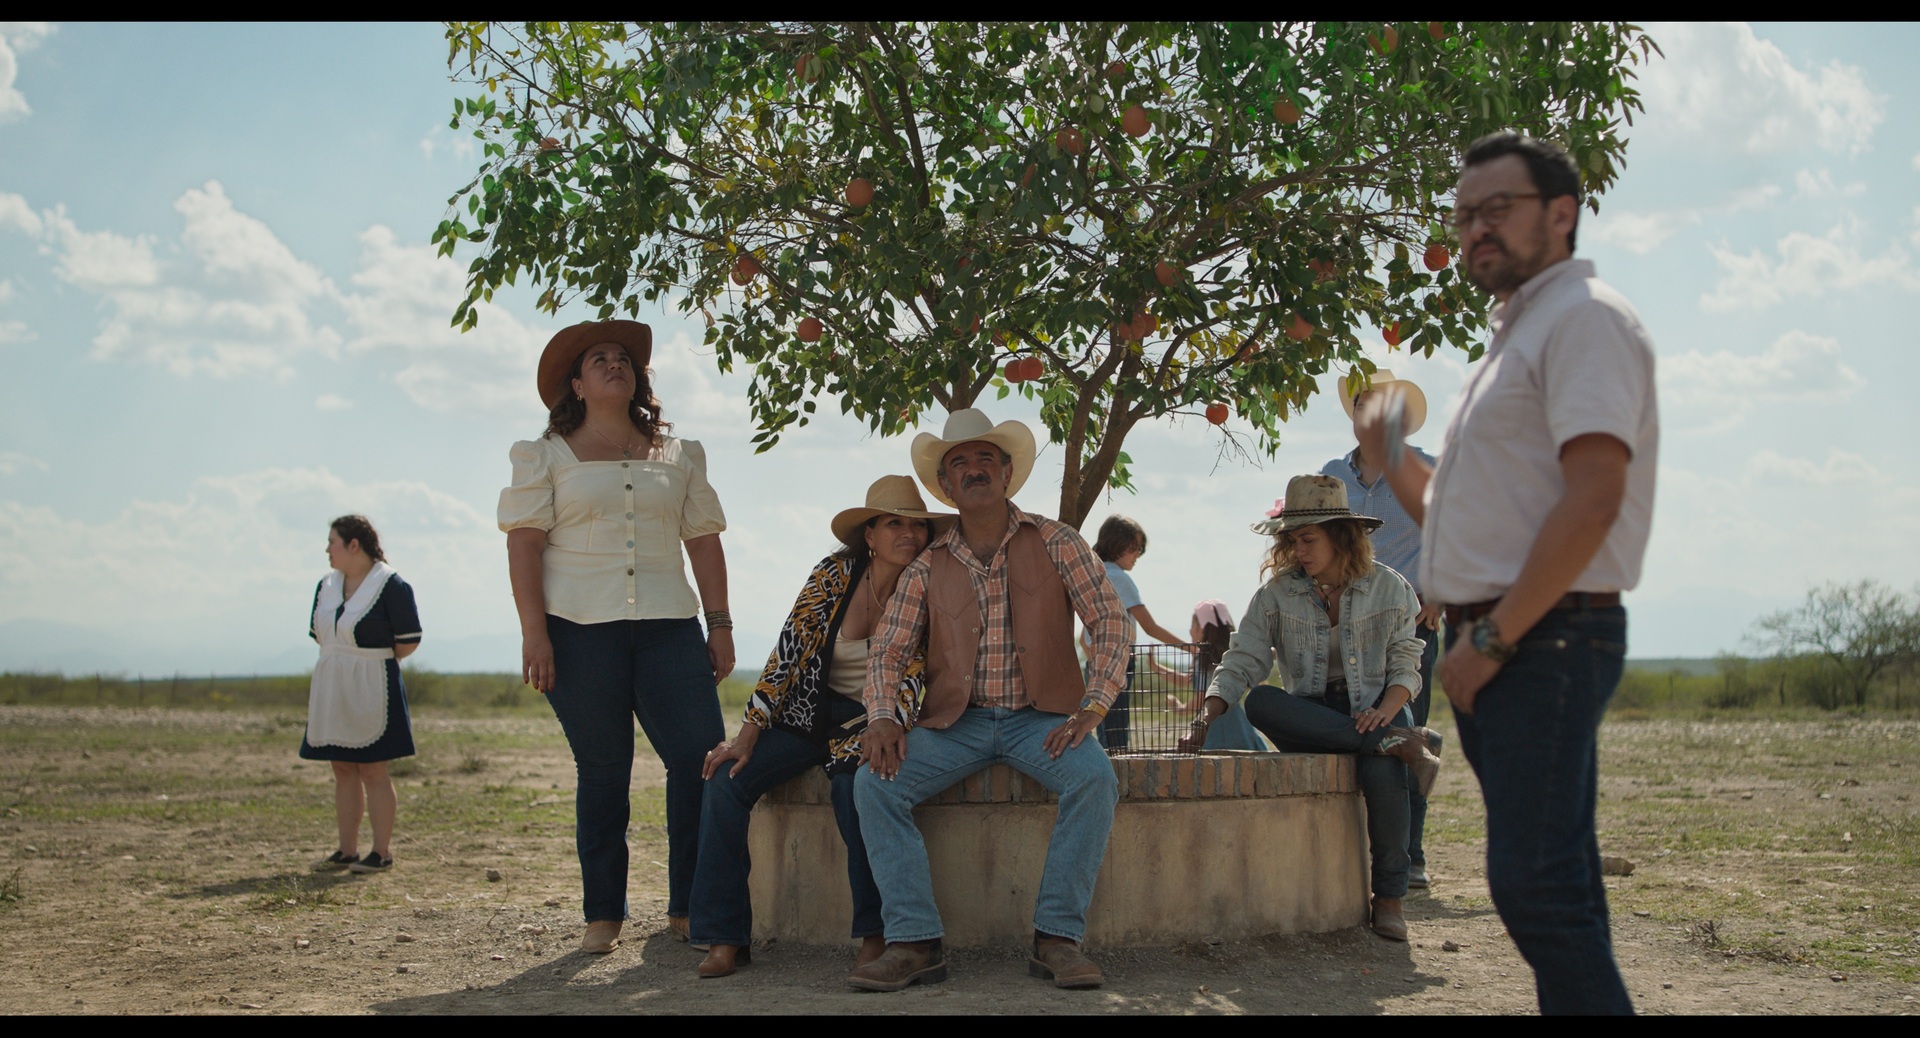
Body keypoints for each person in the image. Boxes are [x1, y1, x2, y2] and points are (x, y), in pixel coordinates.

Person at [1362, 132, 1659, 1015]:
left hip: (1543, 635)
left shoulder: (1586, 320)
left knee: (1537, 887)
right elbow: (1458, 522)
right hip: (1516, 633)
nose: (1476, 230)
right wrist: (1391, 452)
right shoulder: (1516, 339)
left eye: (1498, 209)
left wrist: (1491, 640)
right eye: (1465, 217)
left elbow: (1595, 497)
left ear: (1562, 213)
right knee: (1554, 886)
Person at [851, 408, 1130, 992]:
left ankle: (1056, 938)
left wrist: (1094, 704)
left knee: (1094, 778)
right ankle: (914, 942)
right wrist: (881, 717)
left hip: (1042, 721)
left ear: (1006, 474)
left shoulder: (1057, 541)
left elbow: (1110, 619)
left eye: (986, 459)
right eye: (960, 462)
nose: (974, 469)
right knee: (875, 784)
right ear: (946, 484)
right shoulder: (927, 564)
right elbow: (888, 650)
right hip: (959, 725)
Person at [497, 319, 733, 956]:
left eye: (624, 358)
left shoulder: (679, 454)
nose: (614, 364)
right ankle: (603, 913)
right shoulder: (543, 455)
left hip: (669, 628)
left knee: (700, 759)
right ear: (576, 384)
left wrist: (720, 624)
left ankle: (690, 906)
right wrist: (534, 634)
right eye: (598, 358)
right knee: (603, 770)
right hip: (577, 632)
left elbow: (704, 542)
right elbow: (524, 546)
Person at [688, 476, 952, 978]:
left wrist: (888, 724)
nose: (909, 533)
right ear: (869, 535)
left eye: (918, 525)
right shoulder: (833, 574)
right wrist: (749, 730)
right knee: (725, 780)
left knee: (858, 789)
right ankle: (724, 937)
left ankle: (876, 934)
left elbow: (917, 674)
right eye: (894, 523)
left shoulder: (930, 586)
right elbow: (788, 651)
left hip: (871, 721)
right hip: (806, 714)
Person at [1177, 475, 1442, 942]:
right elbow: (1242, 661)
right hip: (1313, 715)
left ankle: (1389, 899)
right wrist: (1205, 717)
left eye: (1308, 539)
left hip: (1378, 705)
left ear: (1341, 536)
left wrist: (1386, 712)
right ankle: (1400, 743)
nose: (1298, 551)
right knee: (1262, 701)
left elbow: (1406, 663)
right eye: (1292, 541)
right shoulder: (1277, 594)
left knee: (1383, 772)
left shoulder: (1390, 587)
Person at [1323, 369, 1443, 889]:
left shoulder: (1428, 468)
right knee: (1358, 728)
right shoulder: (1332, 475)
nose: (1367, 415)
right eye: (1360, 405)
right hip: (1345, 623)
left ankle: (1411, 856)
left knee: (1405, 729)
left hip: (1411, 622)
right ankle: (1361, 854)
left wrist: (1440, 593)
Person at [303, 514, 421, 876]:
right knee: (342, 767)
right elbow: (321, 634)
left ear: (354, 545)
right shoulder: (326, 586)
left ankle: (381, 852)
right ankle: (346, 850)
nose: (327, 549)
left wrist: (369, 663)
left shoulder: (391, 585)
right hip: (333, 684)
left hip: (373, 683)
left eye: (332, 542)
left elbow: (408, 641)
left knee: (373, 769)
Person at [1087, 515, 1190, 749]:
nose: (1138, 555)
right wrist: (1188, 648)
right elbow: (1149, 627)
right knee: (1117, 732)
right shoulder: (1121, 579)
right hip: (1119, 661)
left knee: (1102, 727)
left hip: (1094, 660)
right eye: (1135, 548)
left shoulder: (1093, 575)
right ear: (1118, 545)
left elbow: (1086, 632)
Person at [1164, 600, 1266, 752]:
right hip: (1239, 728)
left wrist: (1181, 708)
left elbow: (1202, 697)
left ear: (1202, 629)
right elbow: (1188, 679)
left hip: (1214, 728)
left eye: (1193, 625)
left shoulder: (1205, 659)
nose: (1190, 630)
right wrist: (1157, 668)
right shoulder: (1229, 657)